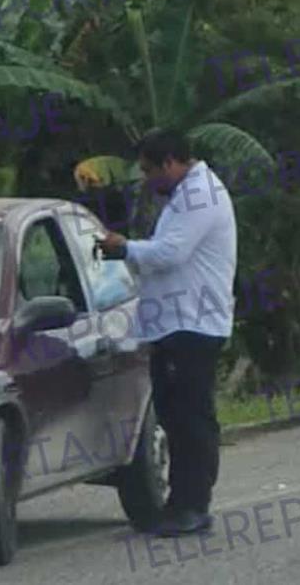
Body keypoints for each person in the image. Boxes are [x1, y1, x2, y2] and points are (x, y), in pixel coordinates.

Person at [98, 129, 237, 537]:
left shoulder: (201, 196)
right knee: (175, 418)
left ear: (172, 162)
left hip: (192, 324)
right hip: (174, 324)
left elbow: (170, 253)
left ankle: (194, 506)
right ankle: (179, 504)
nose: (147, 179)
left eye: (150, 170)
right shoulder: (182, 196)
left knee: (192, 420)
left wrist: (125, 248)